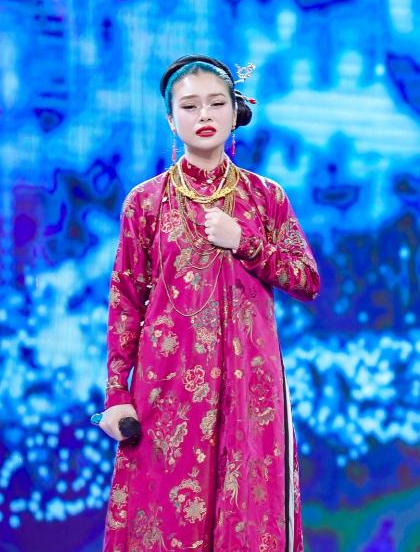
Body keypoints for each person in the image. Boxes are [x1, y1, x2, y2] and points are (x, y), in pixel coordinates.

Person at [99, 55, 320, 551]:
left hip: (250, 386)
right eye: (190, 105)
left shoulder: (265, 197)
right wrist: (117, 394)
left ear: (234, 112)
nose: (204, 114)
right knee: (165, 517)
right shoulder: (146, 202)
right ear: (170, 119)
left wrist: (246, 242)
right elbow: (126, 300)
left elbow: (307, 279)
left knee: (248, 514)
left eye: (217, 103)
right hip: (169, 385)